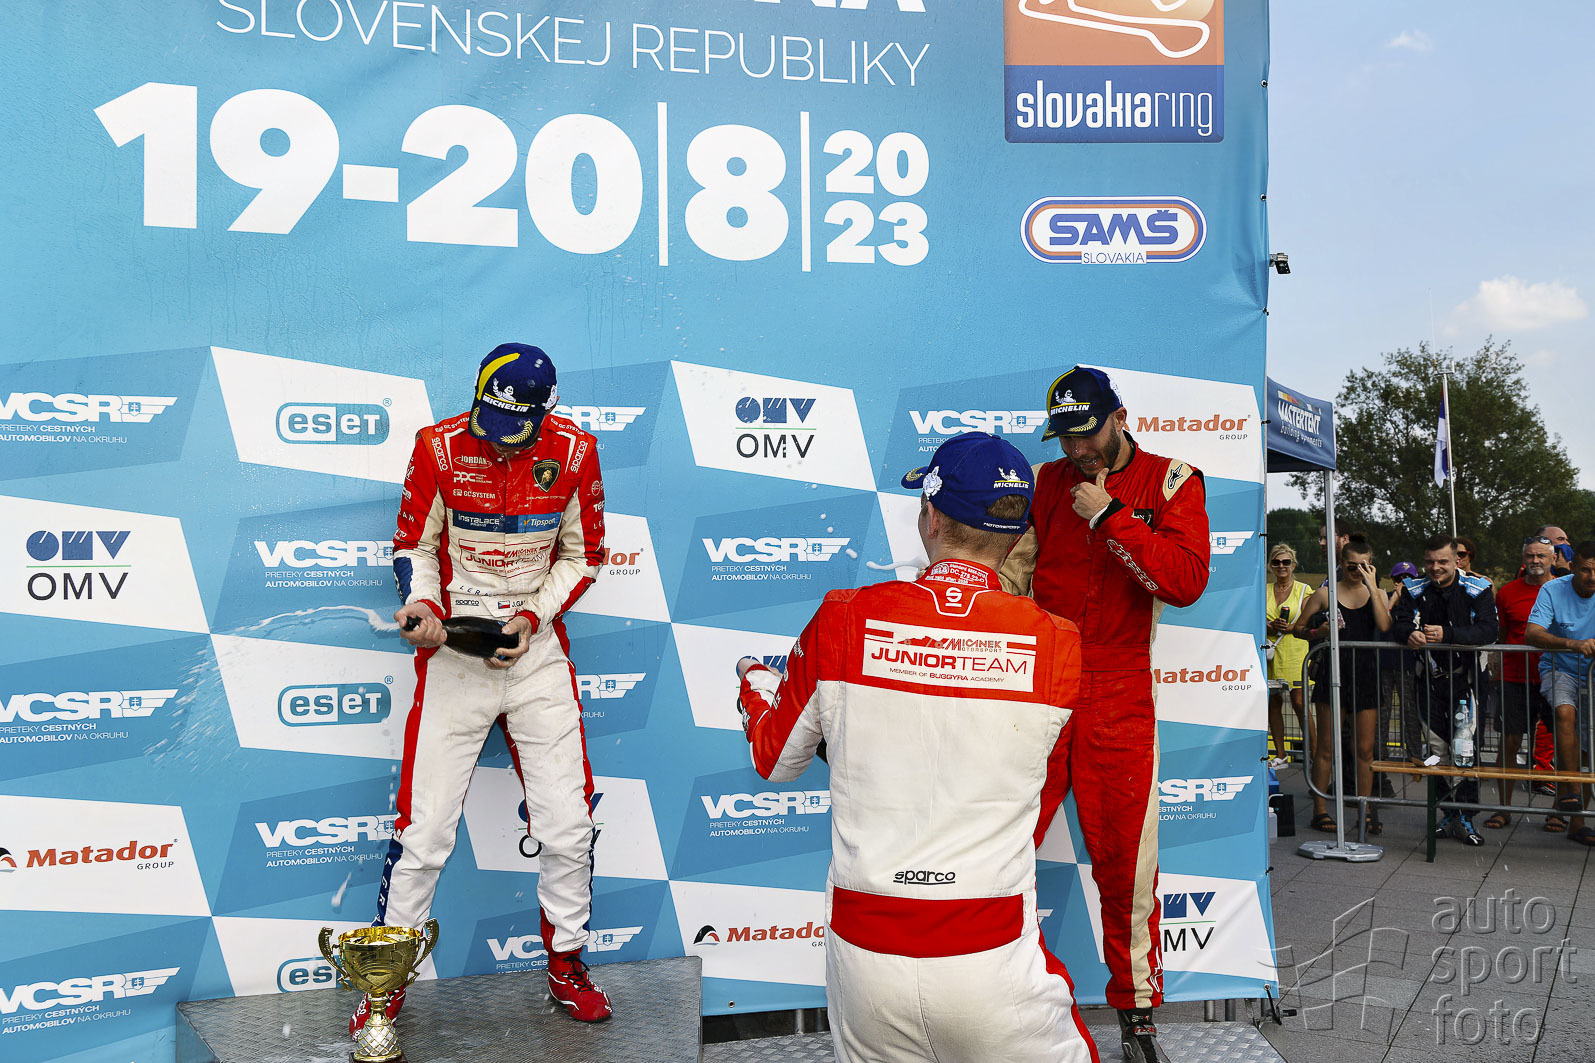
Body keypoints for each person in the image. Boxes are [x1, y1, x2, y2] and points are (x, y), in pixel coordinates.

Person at [736, 432, 1096, 1063]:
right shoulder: (1058, 643)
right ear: (1018, 536)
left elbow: (775, 758)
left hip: (865, 958)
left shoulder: (844, 617)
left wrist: (756, 683)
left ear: (930, 516)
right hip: (989, 956)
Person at [362, 342, 612, 1035]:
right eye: (489, 421)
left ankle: (566, 965)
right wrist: (423, 604)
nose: (498, 440)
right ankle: (385, 984)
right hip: (454, 655)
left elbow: (583, 555)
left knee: (568, 826)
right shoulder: (438, 447)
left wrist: (531, 619)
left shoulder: (577, 452)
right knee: (424, 832)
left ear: (544, 413)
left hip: (535, 656)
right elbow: (414, 544)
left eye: (514, 428)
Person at [999, 365, 1210, 1062]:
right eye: (1064, 437)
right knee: (998, 841)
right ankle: (982, 990)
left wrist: (1110, 516)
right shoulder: (1043, 481)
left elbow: (1185, 581)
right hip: (1043, 684)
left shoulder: (1173, 480)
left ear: (1119, 417)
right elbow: (1010, 577)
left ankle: (1137, 1013)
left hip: (1120, 691)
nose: (1076, 449)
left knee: (1125, 864)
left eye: (1086, 433)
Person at [1390, 536, 1499, 846]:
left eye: (1443, 562)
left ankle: (1466, 815)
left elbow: (1490, 630)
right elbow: (1398, 624)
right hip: (1429, 682)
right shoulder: (1413, 588)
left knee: (1465, 750)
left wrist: (1448, 634)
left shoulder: (1478, 588)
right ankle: (1447, 812)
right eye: (1430, 562)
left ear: (1456, 561)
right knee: (1436, 752)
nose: (1435, 567)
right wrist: (1409, 634)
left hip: (1467, 682)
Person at [1292, 536, 1392, 835]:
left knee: (1365, 750)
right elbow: (1298, 629)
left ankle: (1366, 809)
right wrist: (1318, 632)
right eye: (1351, 566)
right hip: (1333, 674)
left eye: (1363, 567)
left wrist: (1373, 587)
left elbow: (1384, 626)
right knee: (1326, 747)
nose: (1357, 572)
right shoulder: (1325, 594)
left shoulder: (1378, 594)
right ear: (1341, 564)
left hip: (1366, 675)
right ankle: (1320, 809)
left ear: (1371, 566)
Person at [1525, 540, 1595, 847]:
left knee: (1588, 745)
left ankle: (1576, 822)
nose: (1592, 577)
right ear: (1572, 567)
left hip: (1593, 672)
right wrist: (1571, 644)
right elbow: (1532, 633)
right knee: (1565, 713)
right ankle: (1570, 791)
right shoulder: (1552, 589)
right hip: (1560, 667)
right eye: (1586, 570)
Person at [1488, 537, 1558, 830]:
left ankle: (1560, 810)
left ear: (1553, 559)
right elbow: (1502, 633)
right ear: (1523, 558)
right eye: (1530, 555)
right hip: (1515, 678)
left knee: (1564, 744)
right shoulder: (1507, 592)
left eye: (1541, 555)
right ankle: (1503, 809)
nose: (1535, 561)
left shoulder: (1563, 590)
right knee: (1509, 742)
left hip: (1556, 677)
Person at [1266, 544, 1312, 768]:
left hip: (1295, 651)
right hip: (1270, 652)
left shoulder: (1304, 590)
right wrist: (1269, 625)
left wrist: (1288, 627)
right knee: (1273, 703)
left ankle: (1315, 753)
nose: (1281, 566)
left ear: (1293, 565)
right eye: (1276, 562)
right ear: (1271, 566)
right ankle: (1281, 754)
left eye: (1286, 562)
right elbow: (1253, 618)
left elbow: (1308, 621)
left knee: (1299, 703)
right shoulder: (1263, 590)